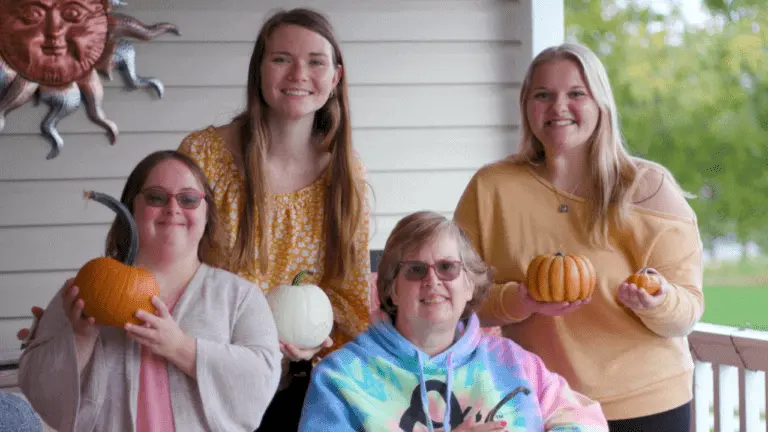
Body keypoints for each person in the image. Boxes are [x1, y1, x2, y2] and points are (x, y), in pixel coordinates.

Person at [17, 8, 372, 431]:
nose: (298, 73)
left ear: (336, 77)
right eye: (281, 58)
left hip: (296, 379)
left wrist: (317, 339)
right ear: (259, 70)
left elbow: (347, 291)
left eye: (315, 61)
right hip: (193, 368)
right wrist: (73, 322)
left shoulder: (345, 175)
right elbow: (163, 246)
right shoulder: (207, 153)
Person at [453, 43, 704, 432]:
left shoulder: (647, 187)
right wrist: (517, 301)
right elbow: (461, 299)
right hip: (546, 406)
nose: (559, 107)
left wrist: (658, 301)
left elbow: (688, 308)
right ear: (526, 105)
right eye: (543, 95)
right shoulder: (491, 189)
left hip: (648, 401)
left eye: (576, 94)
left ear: (600, 103)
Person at [18, 150, 282, 431]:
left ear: (207, 215)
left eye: (189, 199)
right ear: (131, 209)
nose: (173, 207)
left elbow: (261, 379)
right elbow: (38, 391)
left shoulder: (240, 297)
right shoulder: (82, 292)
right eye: (156, 197)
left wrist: (181, 347)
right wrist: (79, 337)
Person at [298, 211, 609, 432]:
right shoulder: (342, 377)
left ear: (469, 284)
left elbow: (584, 417)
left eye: (447, 267)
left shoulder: (513, 363)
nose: (432, 280)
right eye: (416, 270)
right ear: (391, 288)